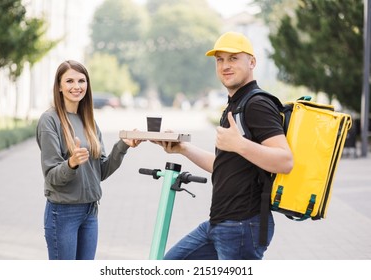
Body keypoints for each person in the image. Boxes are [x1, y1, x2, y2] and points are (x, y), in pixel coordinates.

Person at [153, 32, 293, 260]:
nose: (225, 65)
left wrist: (240, 145)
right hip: (220, 223)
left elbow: (285, 161)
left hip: (242, 225)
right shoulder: (235, 105)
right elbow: (224, 166)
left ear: (252, 62)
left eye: (233, 58)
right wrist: (183, 149)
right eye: (220, 60)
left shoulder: (257, 104)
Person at [36, 60, 142, 260]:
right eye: (69, 81)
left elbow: (100, 172)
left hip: (90, 211)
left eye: (81, 81)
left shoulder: (89, 120)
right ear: (59, 86)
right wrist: (71, 163)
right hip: (63, 212)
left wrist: (123, 145)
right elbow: (51, 176)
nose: (76, 86)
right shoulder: (49, 120)